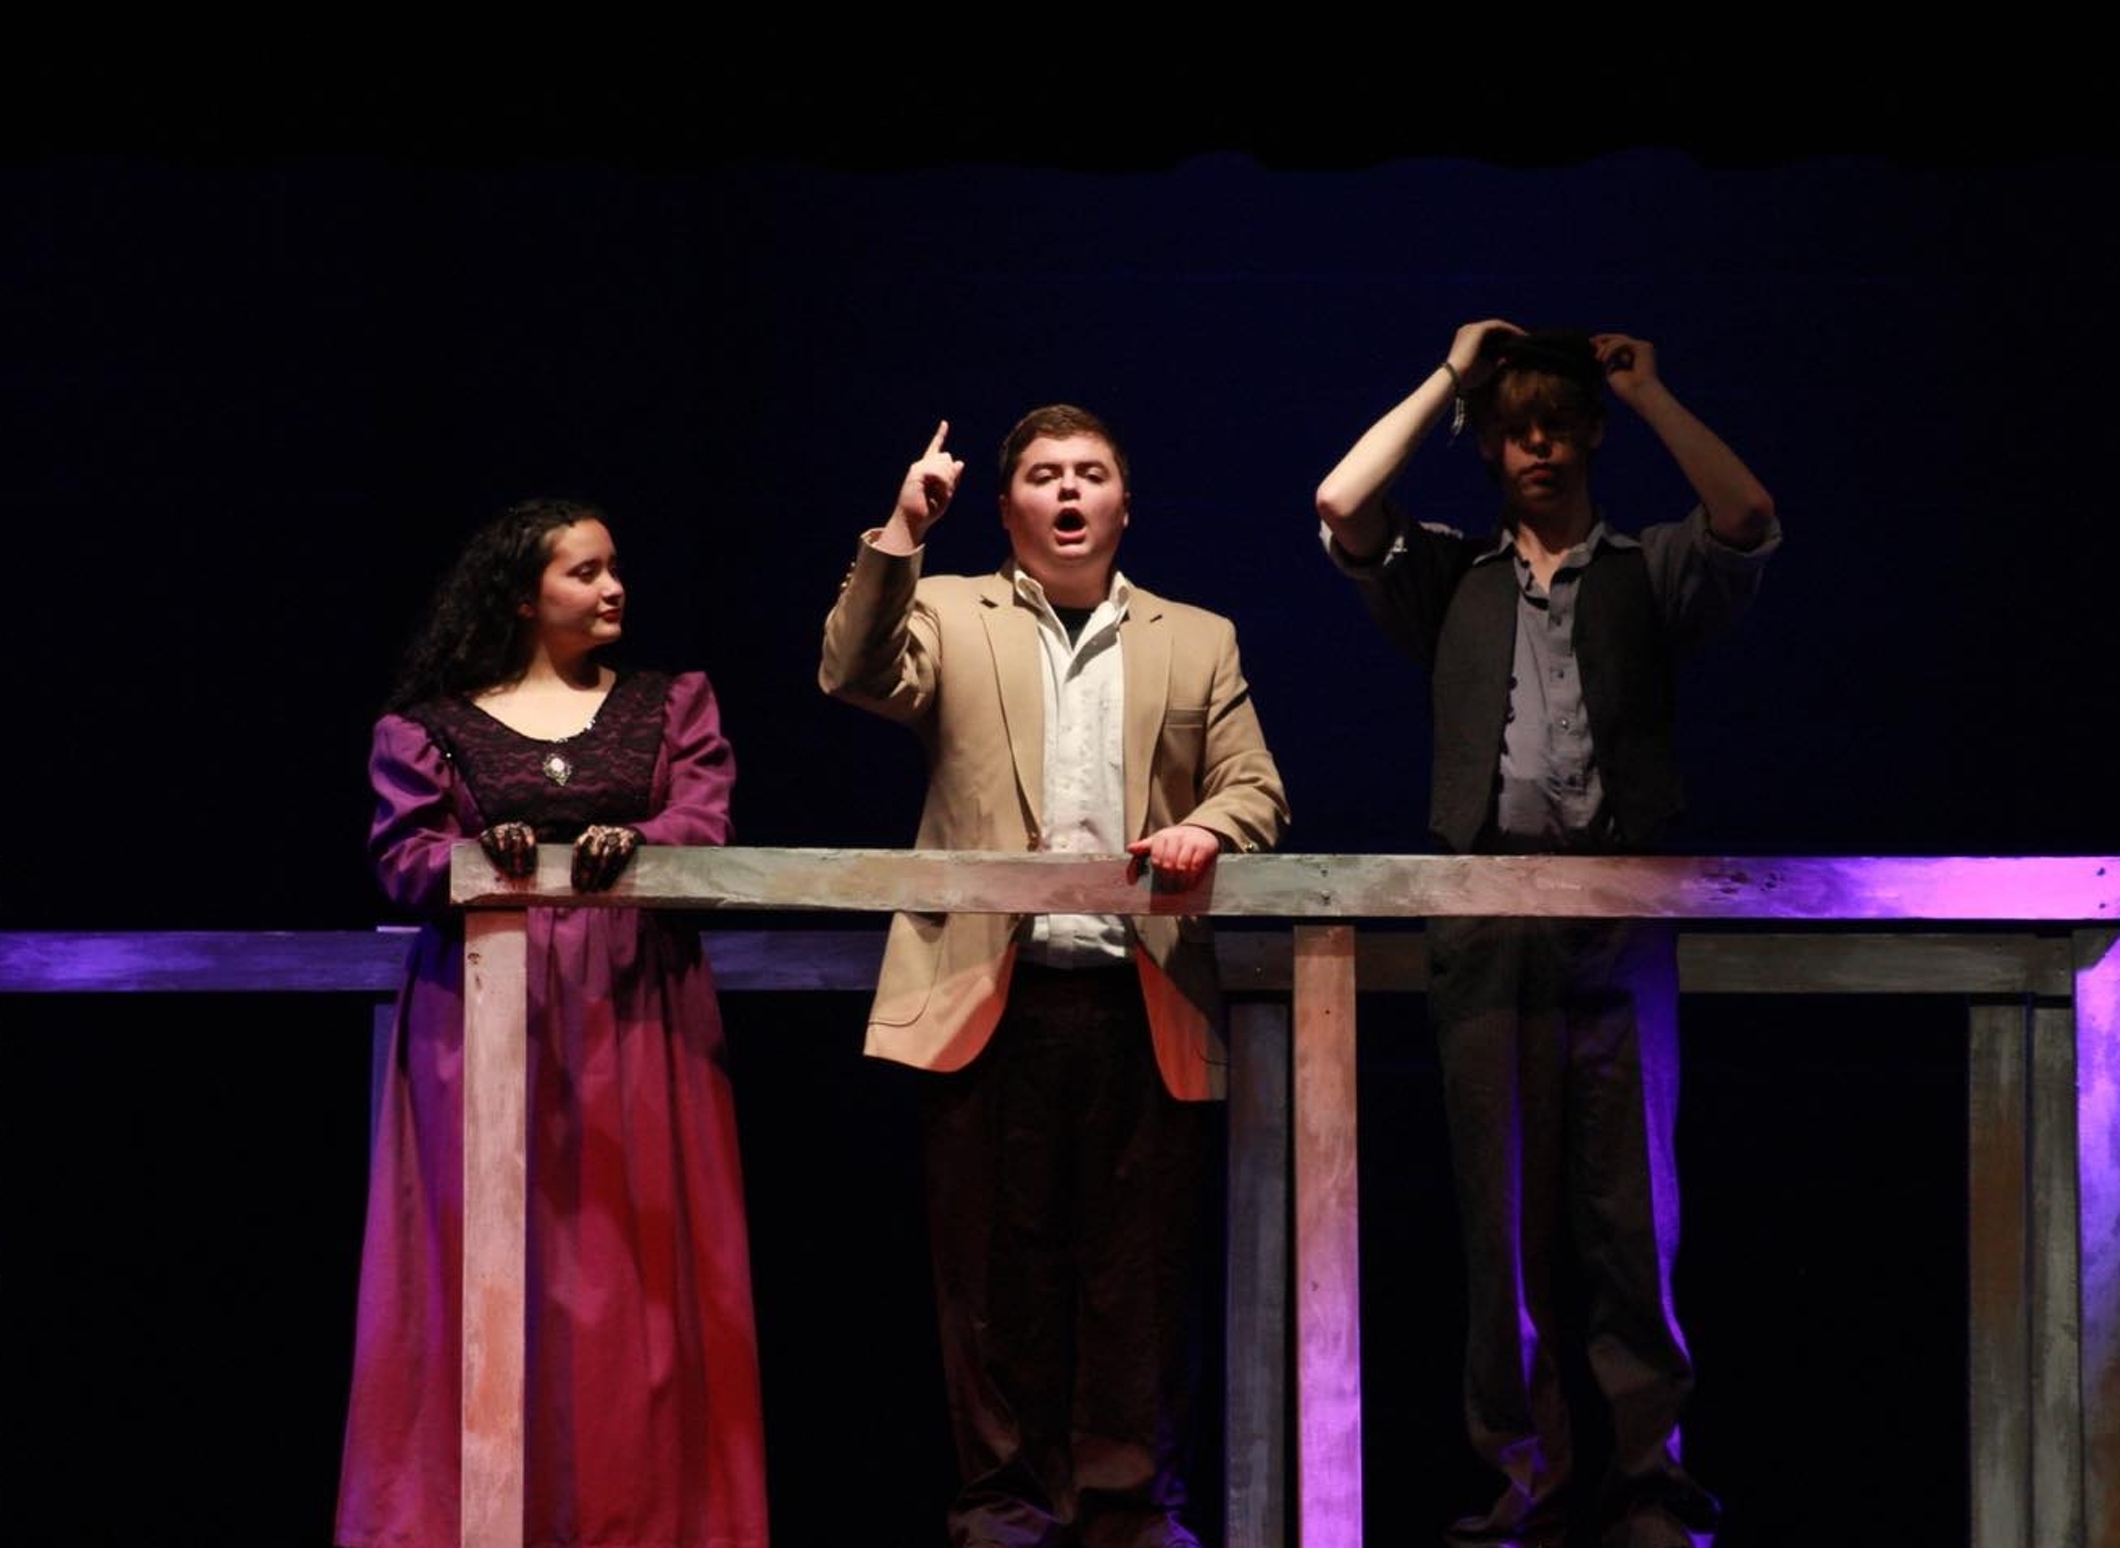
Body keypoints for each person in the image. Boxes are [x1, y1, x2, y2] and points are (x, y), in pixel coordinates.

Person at [1314, 323, 1779, 1548]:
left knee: (1634, 1224)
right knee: (1500, 1225)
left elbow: (1743, 515)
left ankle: (1648, 1489)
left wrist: (1649, 389)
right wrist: (1449, 375)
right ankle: (1525, 1487)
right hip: (1488, 916)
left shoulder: (1642, 568)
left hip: (1620, 915)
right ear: (1485, 444)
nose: (1537, 446)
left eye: (1557, 426)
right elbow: (1340, 501)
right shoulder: (1452, 575)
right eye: (1514, 428)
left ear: (1587, 438)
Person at [820, 407, 1289, 1548]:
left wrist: (1207, 828)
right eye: (1043, 475)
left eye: (1089, 474)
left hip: (1140, 998)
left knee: (1137, 1281)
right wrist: (901, 528)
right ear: (1006, 507)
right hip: (989, 993)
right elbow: (852, 671)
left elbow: (1256, 787)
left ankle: (1128, 1514)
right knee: (993, 1283)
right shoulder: (948, 609)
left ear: (1125, 502)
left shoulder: (1197, 637)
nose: (1068, 491)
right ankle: (1003, 1512)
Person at [335, 498, 768, 1548]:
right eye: (585, 571)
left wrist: (643, 844)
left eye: (614, 567)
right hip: (483, 1010)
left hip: (636, 1007)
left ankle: (649, 1520)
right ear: (524, 596)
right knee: (482, 1255)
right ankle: (467, 1517)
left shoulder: (669, 706)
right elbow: (404, 857)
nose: (613, 587)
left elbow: (702, 823)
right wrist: (480, 858)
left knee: (635, 1267)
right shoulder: (431, 728)